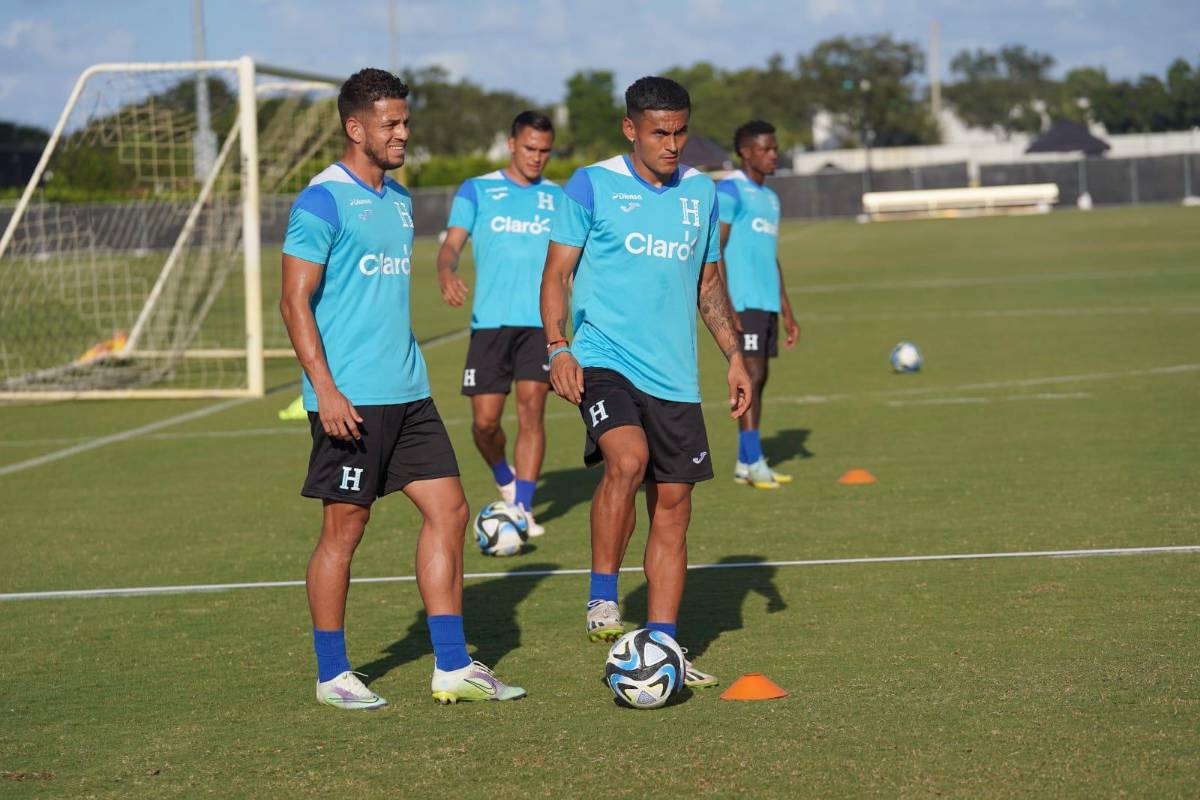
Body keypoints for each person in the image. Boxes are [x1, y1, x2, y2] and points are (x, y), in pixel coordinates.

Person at [279, 68, 523, 709]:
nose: (402, 133)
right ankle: (333, 672)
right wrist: (324, 389)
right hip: (350, 401)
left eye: (405, 122)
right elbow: (293, 302)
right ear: (355, 127)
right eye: (390, 123)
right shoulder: (321, 201)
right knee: (344, 531)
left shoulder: (401, 200)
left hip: (409, 393)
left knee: (450, 511)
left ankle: (451, 665)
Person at [540, 76, 752, 690]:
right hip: (604, 358)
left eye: (681, 131)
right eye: (660, 132)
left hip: (676, 376)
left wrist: (734, 357)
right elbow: (556, 275)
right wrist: (558, 348)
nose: (673, 143)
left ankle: (662, 644)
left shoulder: (701, 193)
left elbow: (709, 284)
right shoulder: (591, 184)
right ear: (630, 129)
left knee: (674, 507)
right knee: (626, 459)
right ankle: (603, 594)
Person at [436, 111, 563, 536]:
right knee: (485, 422)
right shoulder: (478, 189)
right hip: (489, 323)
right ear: (511, 144)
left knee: (532, 410)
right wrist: (446, 271)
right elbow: (452, 244)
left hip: (539, 323)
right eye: (530, 148)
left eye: (545, 151)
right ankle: (505, 480)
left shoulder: (558, 198)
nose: (537, 158)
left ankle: (522, 508)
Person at [716, 120, 801, 489]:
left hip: (764, 302)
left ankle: (743, 460)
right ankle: (753, 463)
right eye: (765, 149)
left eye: (775, 148)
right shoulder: (731, 190)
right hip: (742, 300)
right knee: (750, 377)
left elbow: (771, 256)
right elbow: (713, 250)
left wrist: (787, 309)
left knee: (760, 378)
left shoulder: (770, 198)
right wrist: (726, 303)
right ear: (745, 152)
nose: (773, 155)